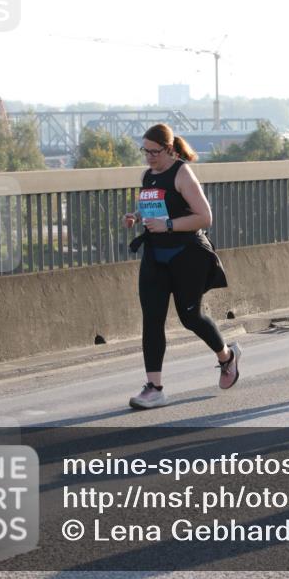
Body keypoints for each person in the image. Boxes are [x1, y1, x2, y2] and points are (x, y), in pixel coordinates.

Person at [123, 124, 240, 409]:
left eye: (154, 151)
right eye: (145, 151)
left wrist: (169, 225)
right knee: (152, 320)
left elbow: (204, 217)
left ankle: (227, 356)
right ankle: (155, 388)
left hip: (186, 254)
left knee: (190, 317)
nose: (149, 157)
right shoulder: (147, 176)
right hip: (155, 254)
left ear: (169, 149)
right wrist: (137, 216)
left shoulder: (182, 173)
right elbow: (159, 207)